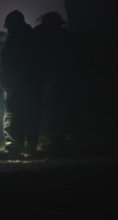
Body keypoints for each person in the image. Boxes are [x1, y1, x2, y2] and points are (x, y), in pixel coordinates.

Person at [0, 10, 38, 159]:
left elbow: (8, 61)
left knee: (13, 113)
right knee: (30, 113)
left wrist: (5, 79)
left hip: (16, 83)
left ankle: (13, 148)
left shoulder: (15, 39)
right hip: (31, 82)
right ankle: (30, 147)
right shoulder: (32, 36)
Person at [32, 11, 76, 156]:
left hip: (51, 78)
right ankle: (58, 141)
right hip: (60, 78)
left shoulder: (43, 35)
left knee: (52, 110)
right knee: (58, 110)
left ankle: (54, 141)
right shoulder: (65, 36)